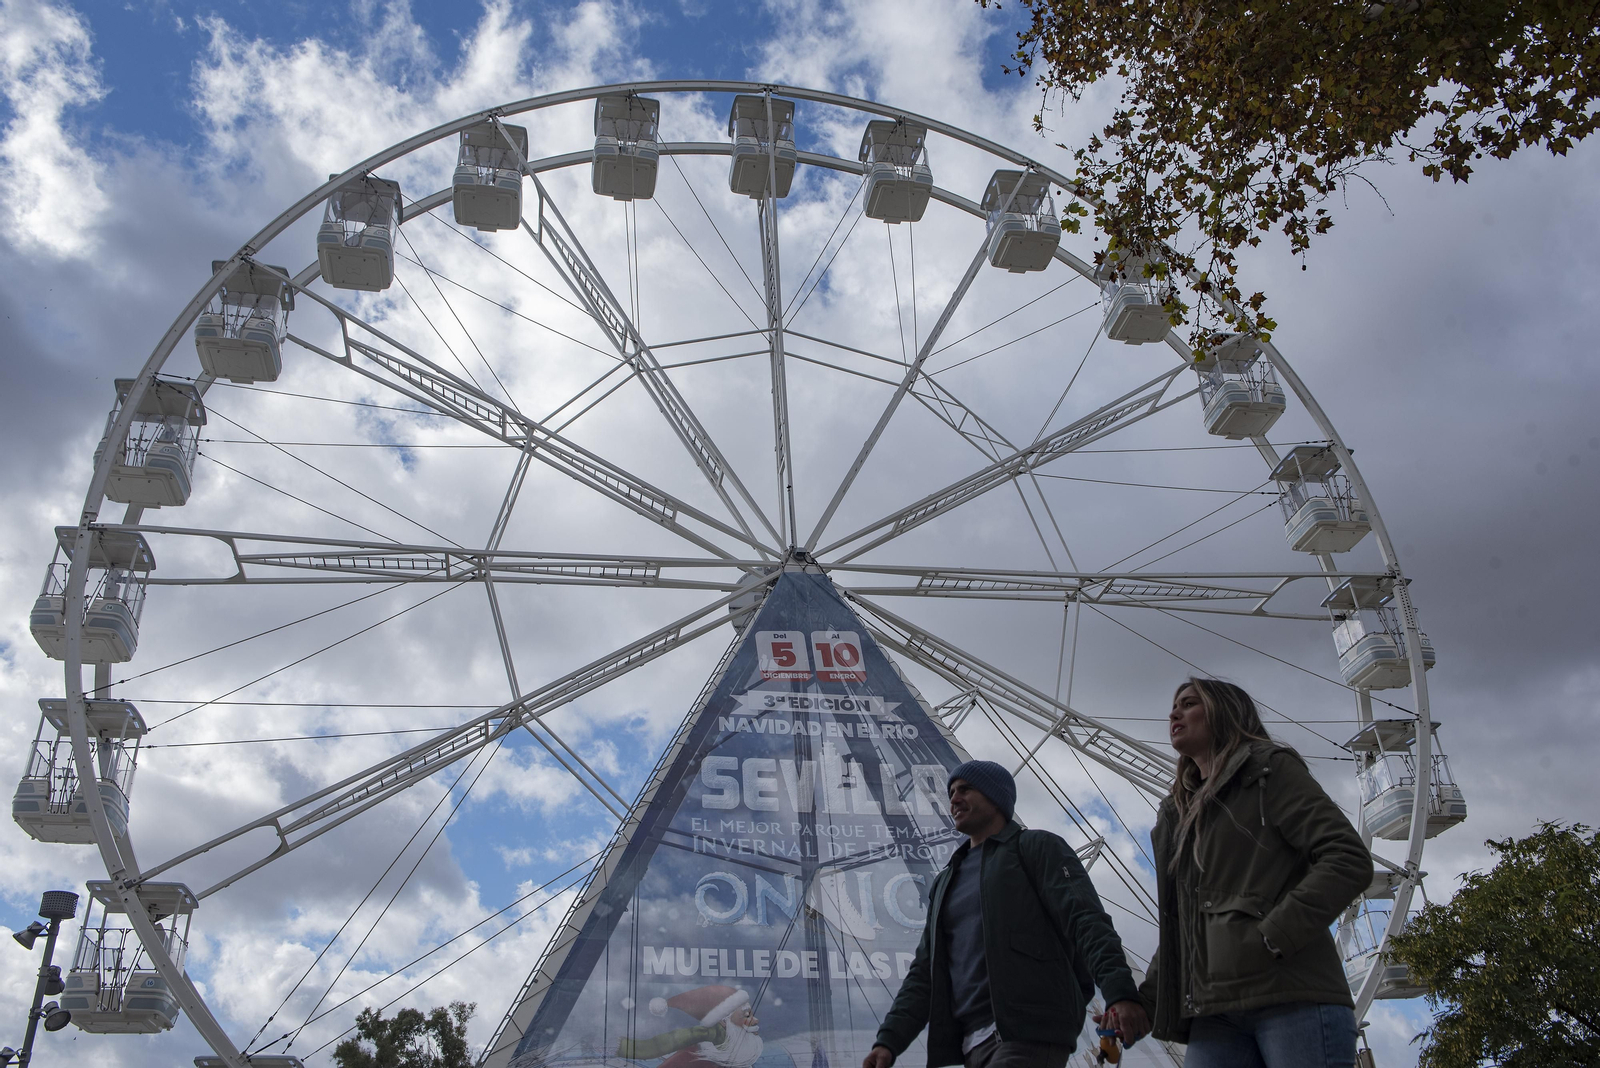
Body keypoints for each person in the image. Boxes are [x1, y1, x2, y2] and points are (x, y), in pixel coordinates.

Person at [1140, 678, 1373, 1067]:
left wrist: (1273, 937)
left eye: (1189, 703)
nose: (1174, 713)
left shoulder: (1268, 770)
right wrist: (1146, 1003)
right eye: (1173, 705)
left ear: (1224, 712)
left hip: (1291, 995)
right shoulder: (1175, 816)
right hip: (1215, 1014)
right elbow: (1183, 924)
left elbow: (1347, 857)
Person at [863, 760, 1150, 1068]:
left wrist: (1120, 992)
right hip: (971, 1045)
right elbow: (925, 972)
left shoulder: (1037, 847)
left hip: (1030, 1031)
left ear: (996, 796)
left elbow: (1085, 920)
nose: (954, 799)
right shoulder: (945, 882)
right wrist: (889, 1041)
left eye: (966, 789)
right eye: (952, 792)